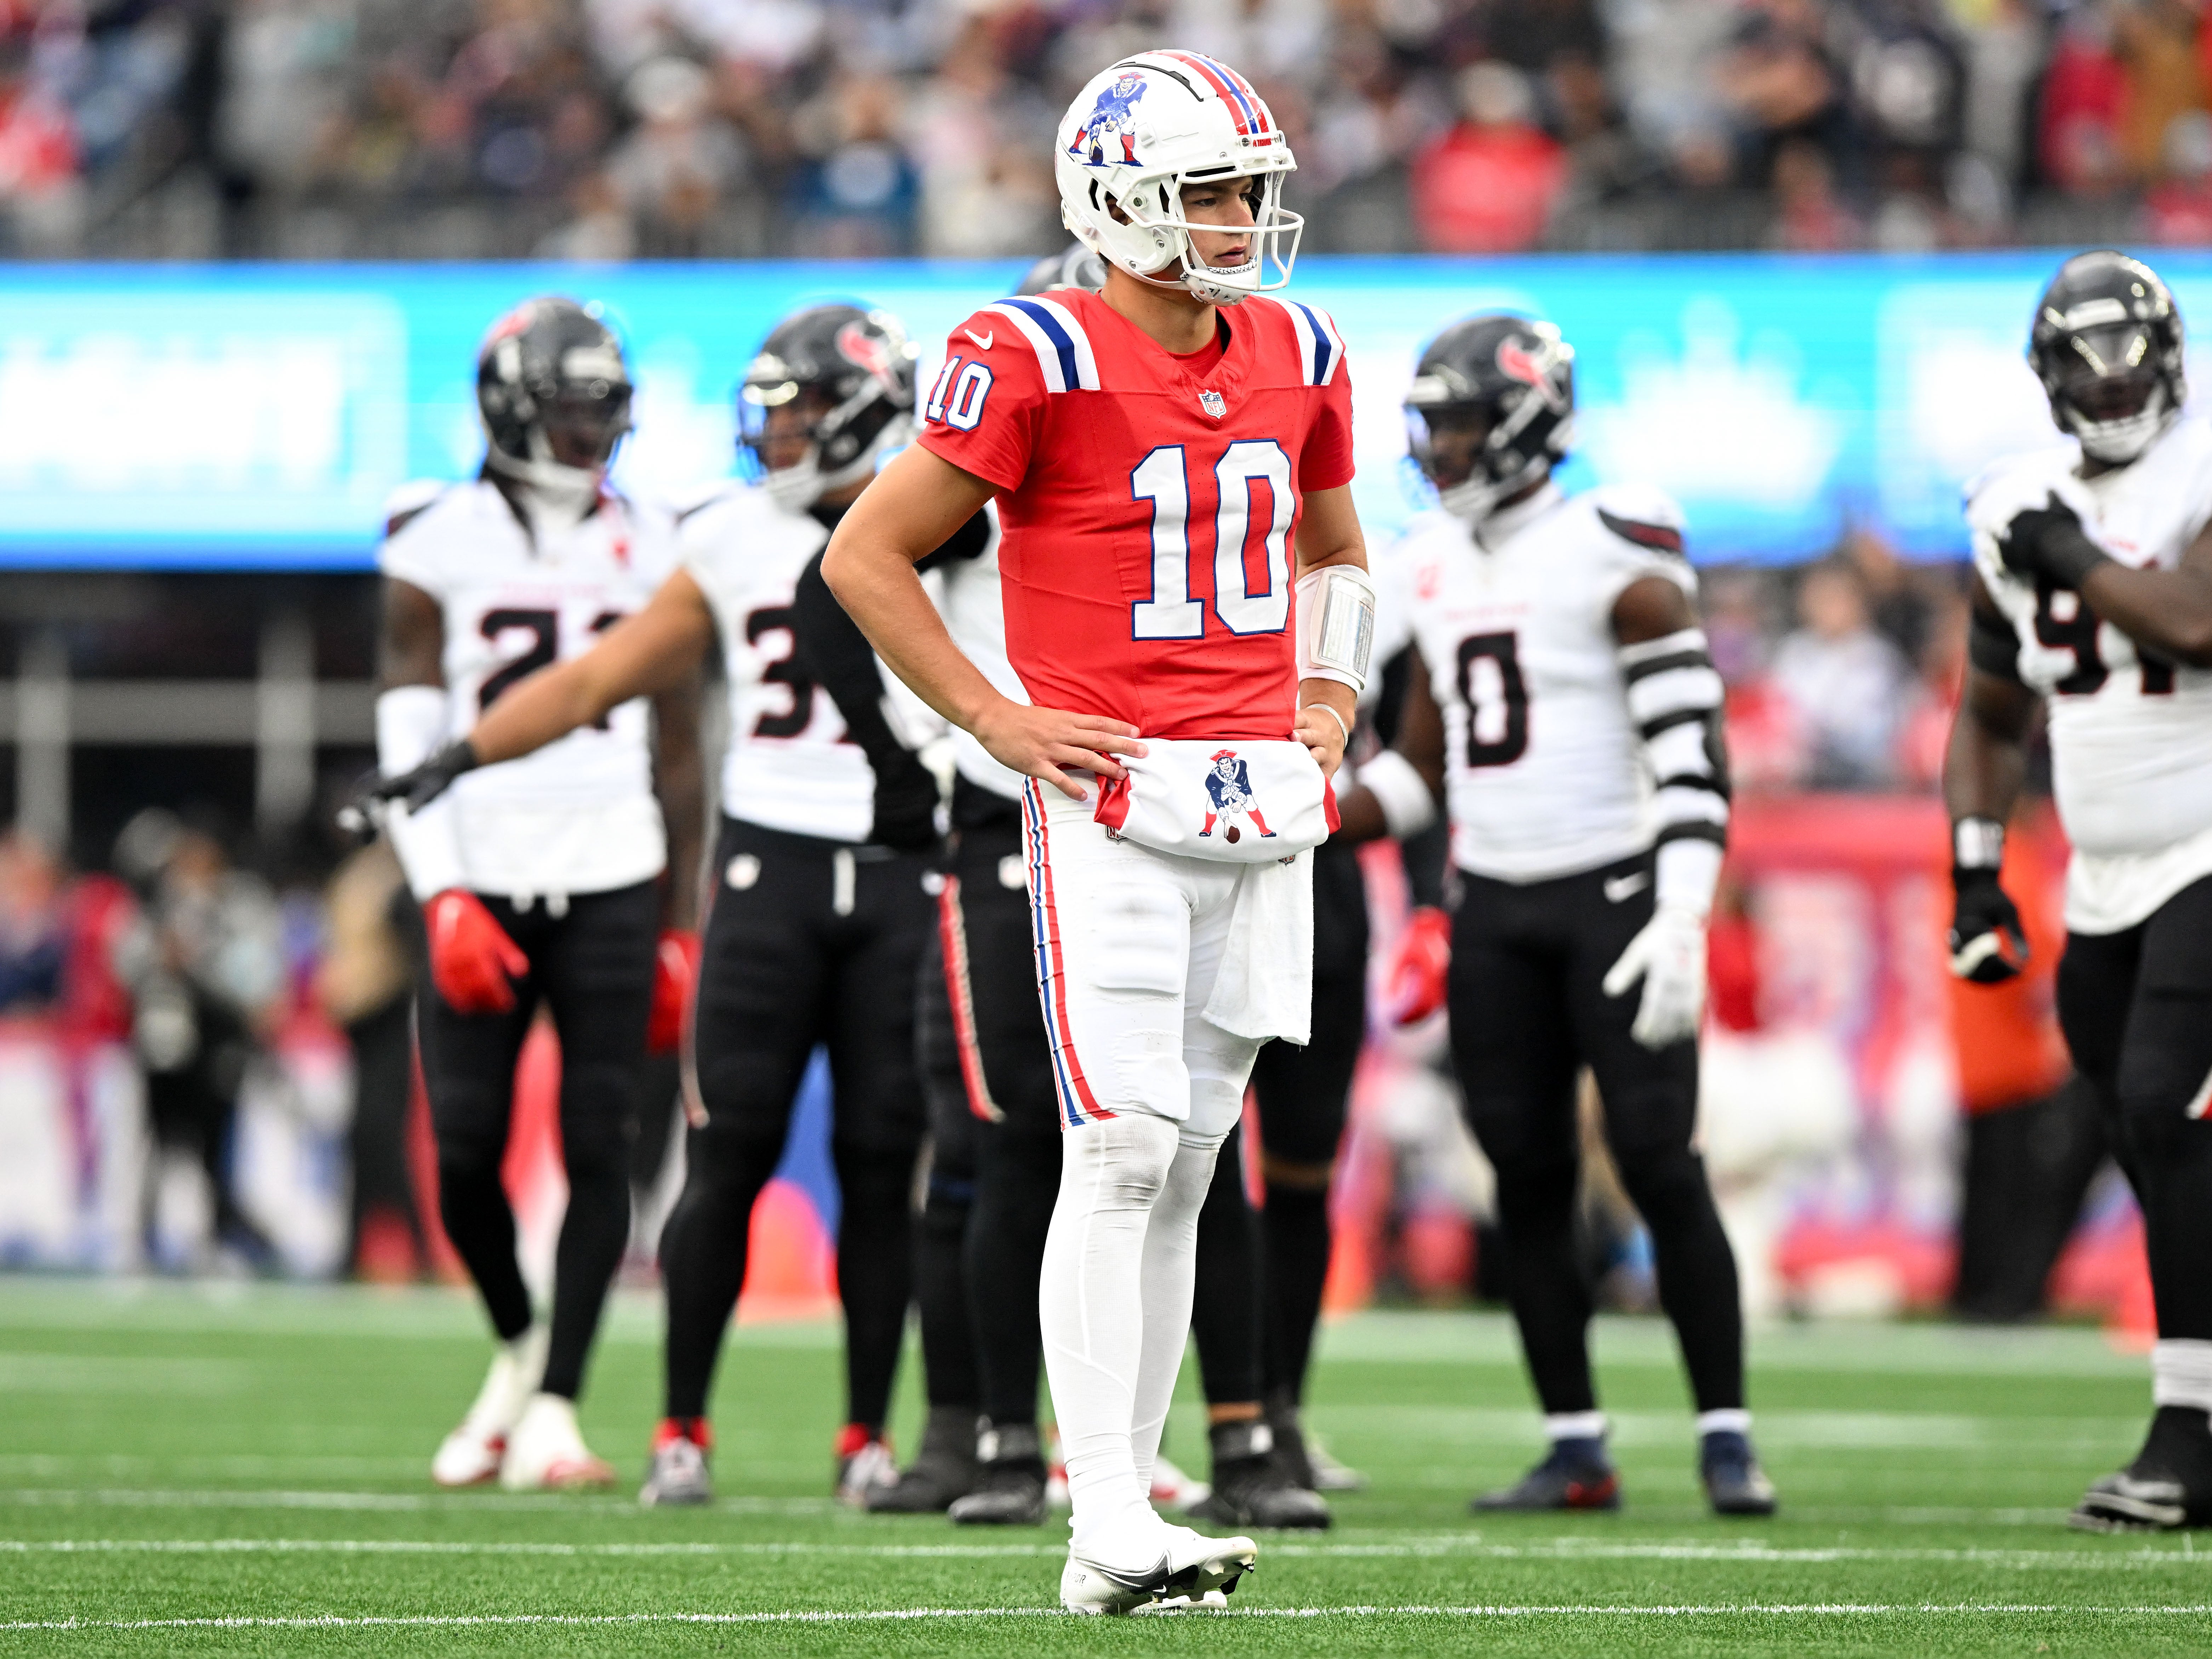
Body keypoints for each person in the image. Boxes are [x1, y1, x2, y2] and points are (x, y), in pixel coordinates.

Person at [820, 51, 1372, 1612]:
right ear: (1118, 195)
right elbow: (869, 557)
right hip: (1110, 800)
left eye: (1250, 190)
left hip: (1259, 801)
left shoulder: (1303, 341)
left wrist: (1328, 691)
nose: (1242, 220)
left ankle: (1129, 1507)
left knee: (1194, 1155)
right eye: (1210, 191)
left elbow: (1337, 546)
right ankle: (1108, 1510)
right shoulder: (1030, 347)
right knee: (1117, 1142)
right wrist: (993, 719)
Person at [372, 302, 965, 1511]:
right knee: (722, 1150)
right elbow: (603, 677)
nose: (776, 434)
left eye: (797, 411)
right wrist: (460, 758)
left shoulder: (957, 521)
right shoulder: (726, 535)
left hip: (902, 863)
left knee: (883, 1157)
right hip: (767, 865)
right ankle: (678, 1427)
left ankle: (873, 1433)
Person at [1335, 313, 1776, 1517]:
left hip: (1615, 891)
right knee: (1521, 1173)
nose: (1438, 450)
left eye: (1461, 423)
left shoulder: (1610, 540)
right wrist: (1296, 816)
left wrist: (1682, 913)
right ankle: (1573, 1440)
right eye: (1428, 426)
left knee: (1656, 1161)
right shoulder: (1427, 561)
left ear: (1527, 422)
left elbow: (1691, 756)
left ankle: (1726, 1435)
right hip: (1494, 902)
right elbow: (1419, 771)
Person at [372, 297, 704, 1491]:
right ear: (511, 408)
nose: (593, 432)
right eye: (571, 409)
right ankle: (517, 1346)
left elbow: (679, 744)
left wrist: (682, 923)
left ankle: (556, 1402)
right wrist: (443, 892)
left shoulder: (662, 533)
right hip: (482, 868)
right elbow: (407, 725)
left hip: (615, 868)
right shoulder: (431, 535)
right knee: (463, 1150)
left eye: (605, 409)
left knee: (600, 1142)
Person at [1947, 250, 2212, 1531]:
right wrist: (1972, 871)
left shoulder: (2193, 468)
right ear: (2043, 378)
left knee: (2167, 1109)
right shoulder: (2015, 502)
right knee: (2135, 1132)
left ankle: (2182, 1430)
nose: (2108, 384)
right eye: (2079, 361)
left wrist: (2065, 547)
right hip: (2101, 872)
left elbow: (2201, 622)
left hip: (2210, 838)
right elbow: (1991, 710)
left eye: (2127, 355)